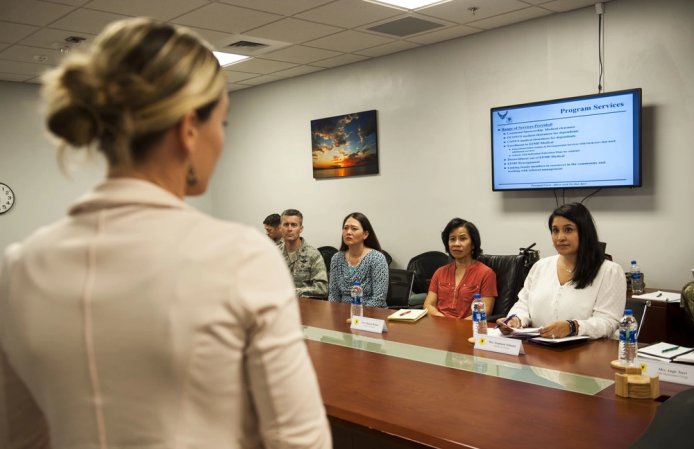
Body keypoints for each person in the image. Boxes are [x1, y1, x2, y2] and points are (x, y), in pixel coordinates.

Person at [0, 18, 330, 448]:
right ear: (189, 128)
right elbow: (299, 440)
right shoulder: (241, 257)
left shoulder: (20, 266)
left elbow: (19, 437)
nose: (221, 141)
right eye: (222, 124)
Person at [496, 202, 626, 339]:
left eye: (568, 230)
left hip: (587, 352)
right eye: (555, 230)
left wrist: (572, 327)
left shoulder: (610, 271)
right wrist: (515, 320)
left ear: (585, 232)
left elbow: (608, 322)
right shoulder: (540, 266)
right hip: (538, 348)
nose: (560, 237)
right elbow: (523, 305)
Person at [423, 218, 497, 319]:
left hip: (467, 329)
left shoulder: (486, 274)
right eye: (452, 239)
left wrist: (456, 326)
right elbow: (428, 305)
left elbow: (485, 312)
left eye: (462, 239)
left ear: (473, 244)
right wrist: (443, 321)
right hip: (439, 326)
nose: (456, 244)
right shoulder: (440, 272)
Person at [328, 212, 389, 307]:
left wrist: (357, 313)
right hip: (342, 312)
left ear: (365, 234)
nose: (348, 232)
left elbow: (379, 298)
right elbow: (333, 294)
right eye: (345, 228)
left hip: (371, 314)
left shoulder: (377, 258)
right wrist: (336, 312)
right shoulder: (336, 258)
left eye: (354, 229)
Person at [279, 208, 328, 298]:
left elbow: (322, 288)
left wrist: (293, 292)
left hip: (306, 306)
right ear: (280, 228)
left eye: (294, 225)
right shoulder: (275, 253)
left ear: (301, 229)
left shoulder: (313, 254)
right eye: (286, 225)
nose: (289, 229)